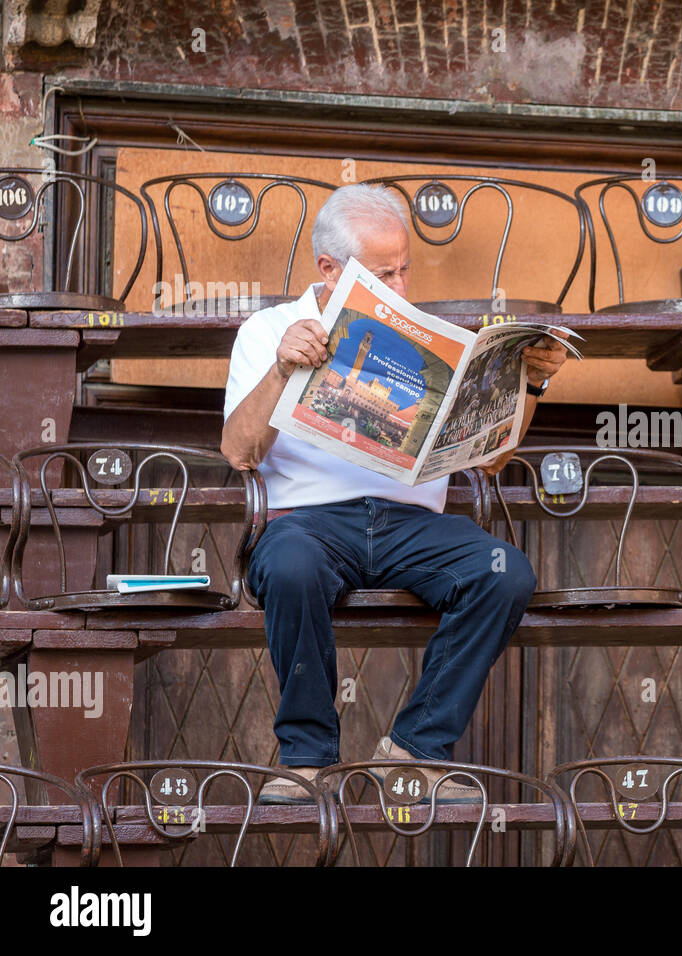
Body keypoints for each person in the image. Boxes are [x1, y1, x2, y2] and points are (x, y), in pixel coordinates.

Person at [221, 184, 567, 804]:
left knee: (504, 570)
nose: (402, 286)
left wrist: (529, 387)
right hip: (311, 525)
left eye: (406, 268)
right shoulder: (268, 329)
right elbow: (239, 453)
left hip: (413, 525)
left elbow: (494, 461)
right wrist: (281, 370)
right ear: (329, 269)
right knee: (290, 564)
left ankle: (414, 752)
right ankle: (307, 760)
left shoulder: (423, 334)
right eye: (386, 273)